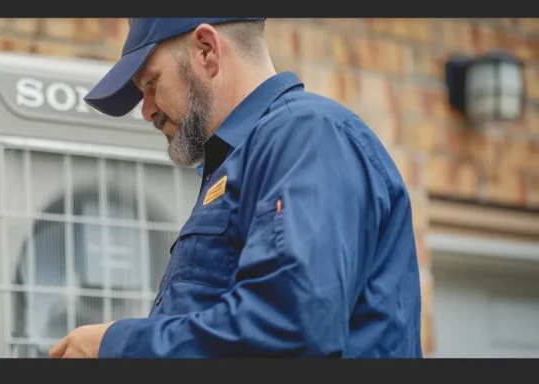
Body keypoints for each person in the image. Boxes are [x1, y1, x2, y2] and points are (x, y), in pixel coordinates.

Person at [48, 18, 423, 358]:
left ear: (207, 50)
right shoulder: (249, 158)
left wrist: (115, 346)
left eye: (151, 83)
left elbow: (290, 329)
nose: (147, 110)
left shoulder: (307, 136)